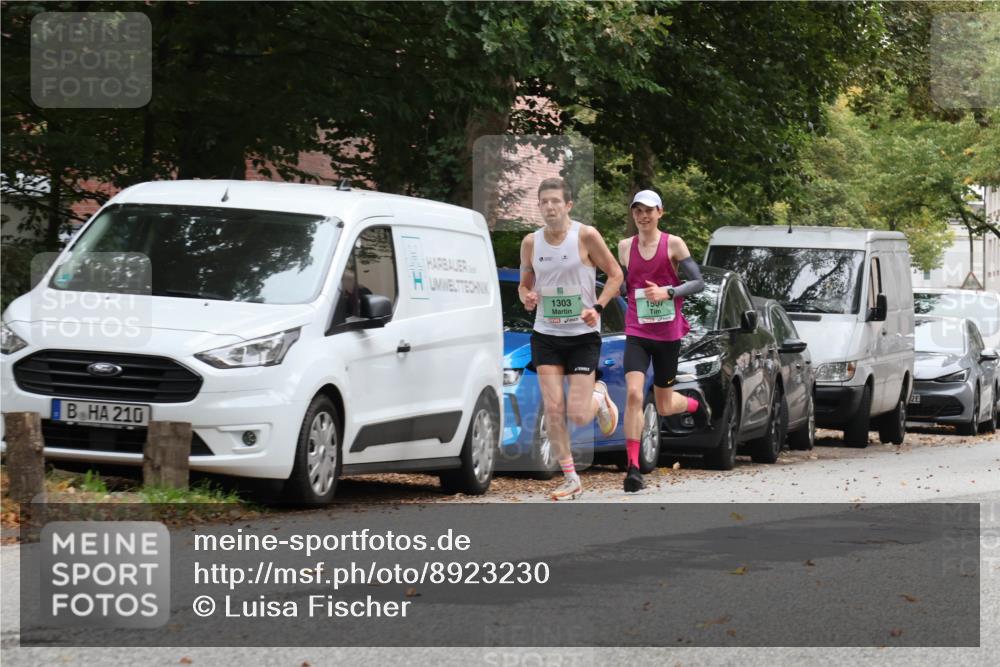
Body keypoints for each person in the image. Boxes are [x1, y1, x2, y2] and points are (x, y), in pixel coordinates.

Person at [519, 177, 624, 500]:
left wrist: (598, 306)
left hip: (582, 336)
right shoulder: (531, 243)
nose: (549, 207)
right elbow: (525, 283)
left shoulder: (586, 236)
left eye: (555, 201)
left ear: (568, 205)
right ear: (539, 207)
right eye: (544, 202)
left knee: (578, 414)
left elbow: (616, 274)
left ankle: (600, 396)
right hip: (546, 334)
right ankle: (570, 477)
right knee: (553, 408)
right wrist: (526, 296)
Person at [617, 189, 708, 493]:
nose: (643, 216)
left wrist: (668, 292)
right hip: (637, 332)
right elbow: (624, 286)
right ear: (633, 215)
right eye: (638, 211)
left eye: (649, 210)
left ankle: (695, 404)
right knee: (633, 394)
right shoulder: (624, 247)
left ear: (660, 212)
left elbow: (698, 282)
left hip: (667, 334)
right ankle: (633, 468)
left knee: (666, 405)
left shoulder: (674, 244)